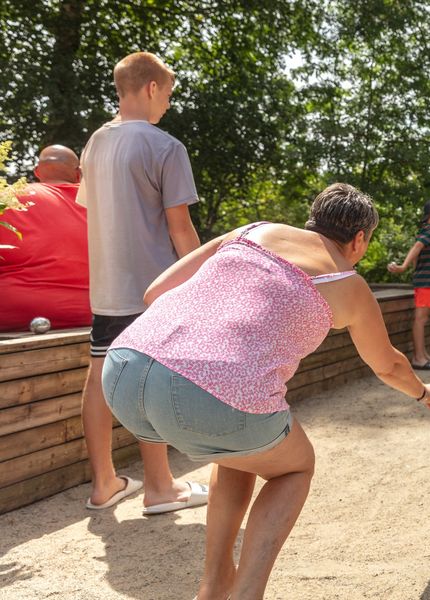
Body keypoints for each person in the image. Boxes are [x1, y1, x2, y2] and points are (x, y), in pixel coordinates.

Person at [102, 183, 430, 600]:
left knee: (240, 452)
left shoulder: (252, 230)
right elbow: (390, 365)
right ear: (359, 239)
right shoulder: (347, 280)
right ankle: (246, 593)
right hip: (207, 396)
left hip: (124, 369)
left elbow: (154, 293)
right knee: (295, 466)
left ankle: (214, 587)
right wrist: (424, 392)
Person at [77, 51, 207, 513]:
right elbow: (179, 227)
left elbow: (96, 214)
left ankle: (104, 484)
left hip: (105, 288)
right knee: (146, 383)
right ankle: (159, 488)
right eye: (168, 95)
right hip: (152, 286)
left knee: (99, 379)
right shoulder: (164, 146)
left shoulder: (94, 144)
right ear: (151, 87)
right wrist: (203, 283)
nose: (167, 105)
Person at [0, 145, 91, 331]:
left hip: (13, 316)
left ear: (37, 172)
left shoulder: (9, 199)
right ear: (78, 174)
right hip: (90, 316)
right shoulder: (102, 203)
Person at [387, 198, 430, 370]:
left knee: (424, 318)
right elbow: (417, 247)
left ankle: (423, 354)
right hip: (426, 282)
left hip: (427, 282)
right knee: (420, 319)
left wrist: (414, 270)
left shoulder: (428, 230)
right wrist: (403, 267)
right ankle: (418, 358)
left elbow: (420, 254)